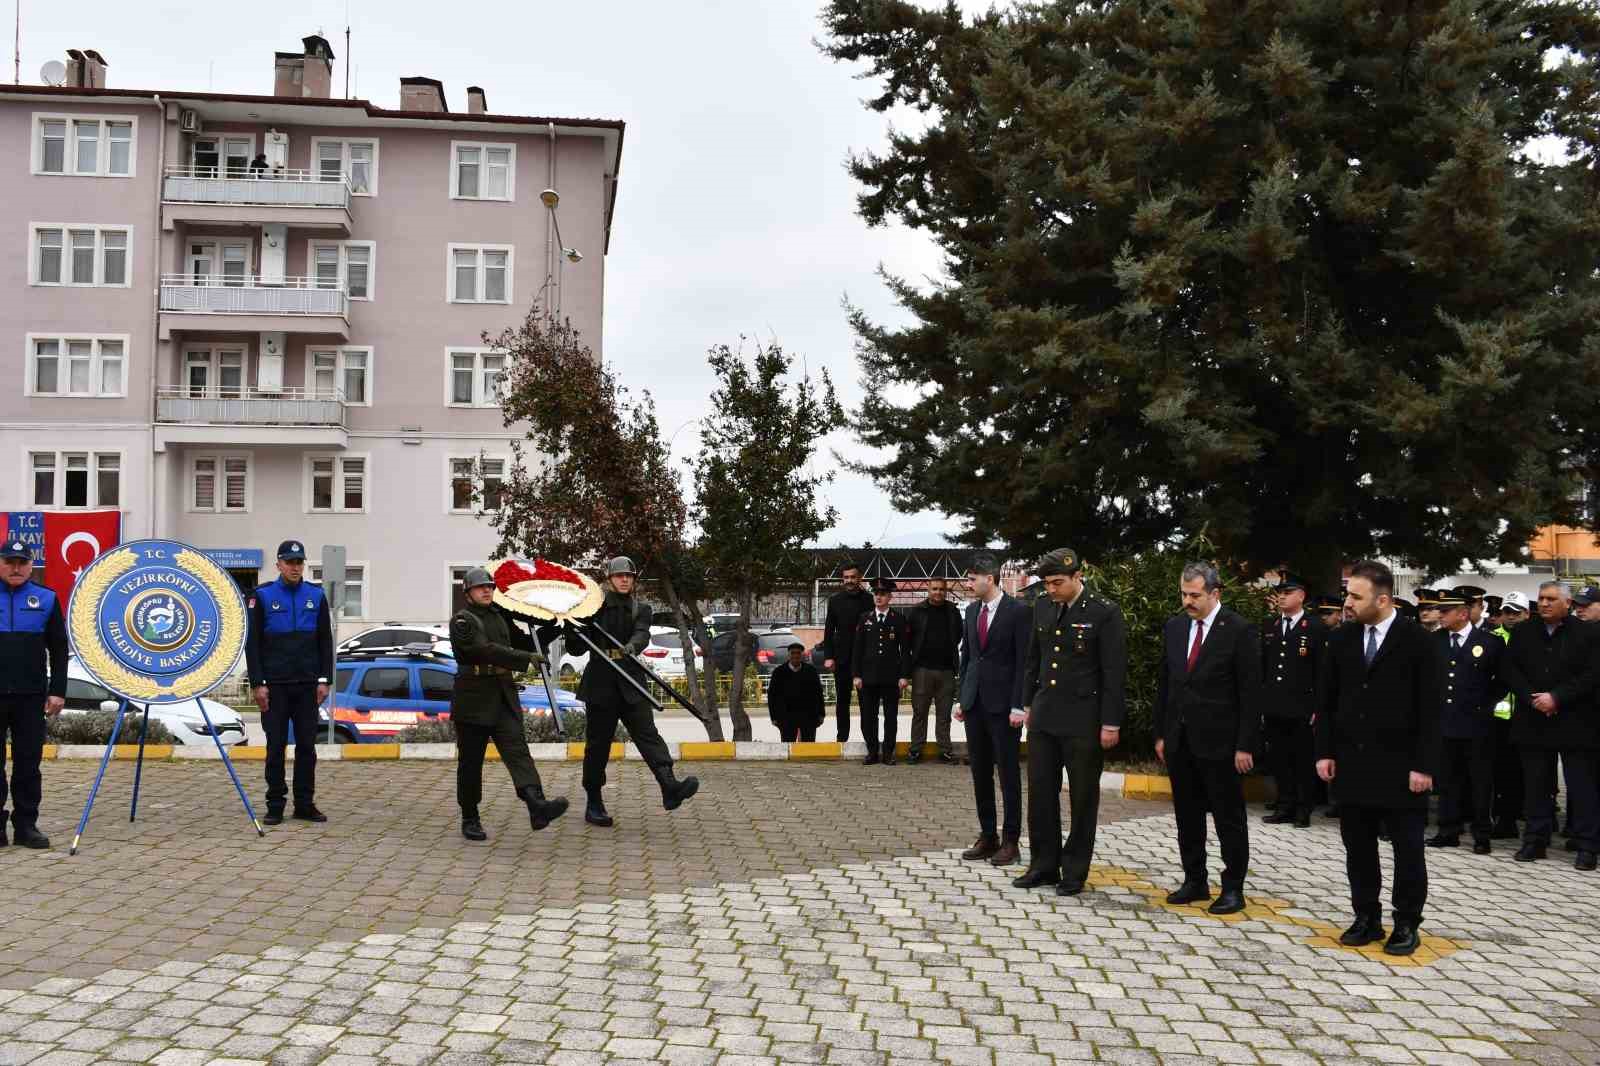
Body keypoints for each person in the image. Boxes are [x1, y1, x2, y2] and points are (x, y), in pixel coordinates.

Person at [1315, 560, 1441, 956]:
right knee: (1359, 847)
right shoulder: (1341, 640)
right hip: (1353, 764)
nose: (1348, 602)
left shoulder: (1418, 641)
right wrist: (1325, 752)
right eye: (1347, 594)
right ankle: (1366, 916)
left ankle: (1406, 922)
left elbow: (1431, 710)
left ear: (1383, 599)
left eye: (1356, 596)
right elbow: (1327, 701)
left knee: (1407, 849)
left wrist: (1424, 765)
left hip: (1402, 767)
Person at [1014, 548, 1127, 896]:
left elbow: (1114, 672)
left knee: (1082, 797)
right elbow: (1034, 659)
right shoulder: (1043, 607)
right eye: (1047, 583)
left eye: (1058, 582)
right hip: (1045, 716)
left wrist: (1111, 722)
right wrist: (1026, 704)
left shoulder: (1104, 612)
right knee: (1041, 794)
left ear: (1078, 576)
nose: (1051, 590)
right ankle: (1043, 865)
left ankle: (1074, 870)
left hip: (1083, 719)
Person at [553, 557, 697, 827]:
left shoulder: (640, 609)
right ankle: (594, 802)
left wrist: (631, 646)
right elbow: (575, 650)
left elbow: (642, 635)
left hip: (630, 678)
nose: (624, 580)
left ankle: (669, 787)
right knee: (598, 746)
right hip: (600, 682)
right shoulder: (591, 608)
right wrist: (572, 629)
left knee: (648, 735)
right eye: (619, 576)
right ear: (609, 579)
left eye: (629, 576)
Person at [1153, 561, 1261, 915]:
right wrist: (1161, 734)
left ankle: (1233, 887)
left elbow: (1250, 692)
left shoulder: (1238, 630)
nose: (1187, 601)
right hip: (1181, 740)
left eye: (1195, 595)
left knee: (1228, 817)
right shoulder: (1175, 627)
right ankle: (1194, 879)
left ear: (1215, 593)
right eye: (1184, 593)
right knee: (1187, 814)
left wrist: (1245, 744)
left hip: (1222, 742)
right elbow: (1166, 685)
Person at [449, 568, 568, 841]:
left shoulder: (500, 617)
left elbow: (524, 642)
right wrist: (526, 657)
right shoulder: (462, 621)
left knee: (517, 751)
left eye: (489, 587)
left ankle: (537, 805)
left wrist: (554, 627)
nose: (487, 591)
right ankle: (470, 817)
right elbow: (483, 650)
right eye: (480, 588)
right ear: (467, 592)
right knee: (471, 762)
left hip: (502, 694)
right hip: (474, 697)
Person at [1500, 581, 1598, 870]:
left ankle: (1587, 844)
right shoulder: (1522, 632)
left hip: (1575, 720)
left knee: (1582, 786)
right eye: (1541, 598)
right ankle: (1535, 839)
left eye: (1551, 599)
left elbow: (1593, 674)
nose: (1544, 604)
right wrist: (1533, 699)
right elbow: (1509, 669)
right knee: (1536, 785)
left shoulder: (1588, 634)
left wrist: (1557, 697)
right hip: (1533, 719)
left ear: (1567, 603)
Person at [244, 539, 333, 826]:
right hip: (276, 686)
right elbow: (253, 644)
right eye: (289, 562)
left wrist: (324, 679)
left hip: (307, 685)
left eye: (299, 562)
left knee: (307, 746)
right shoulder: (263, 595)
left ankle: (305, 804)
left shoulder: (316, 595)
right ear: (279, 564)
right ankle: (275, 804)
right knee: (276, 747)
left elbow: (324, 640)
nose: (295, 567)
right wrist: (258, 683)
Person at [953, 554, 1029, 867]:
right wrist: (962, 698)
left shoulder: (1018, 612)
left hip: (1004, 708)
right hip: (975, 705)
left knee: (1008, 774)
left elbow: (1024, 662)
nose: (969, 584)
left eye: (972, 579)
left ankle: (1011, 840)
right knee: (980, 773)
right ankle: (988, 835)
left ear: (990, 578)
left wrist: (1019, 704)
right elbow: (968, 657)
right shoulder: (971, 611)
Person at [1426, 589, 1504, 854]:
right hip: (1444, 722)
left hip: (1477, 724)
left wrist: (1485, 705)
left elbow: (1502, 681)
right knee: (1447, 779)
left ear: (1462, 613)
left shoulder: (1490, 642)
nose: (1440, 615)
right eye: (1440, 611)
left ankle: (1482, 833)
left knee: (1480, 781)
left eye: (1446, 611)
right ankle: (1448, 830)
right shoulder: (1434, 640)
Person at [0, 539, 66, 849]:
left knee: (28, 764)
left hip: (30, 697)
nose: (15, 568)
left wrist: (58, 691)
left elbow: (59, 649)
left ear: (30, 565)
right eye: (9, 561)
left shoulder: (47, 599)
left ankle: (26, 826)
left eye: (21, 562)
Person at [1260, 572, 1325, 829]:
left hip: (1302, 707)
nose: (1282, 597)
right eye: (1280, 593)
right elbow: (1264, 668)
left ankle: (1302, 810)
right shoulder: (1271, 626)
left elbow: (1321, 672)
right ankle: (1284, 806)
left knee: (1302, 761)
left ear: (1302, 596)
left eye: (1288, 593)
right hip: (1275, 705)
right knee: (1279, 759)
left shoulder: (1315, 627)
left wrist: (1317, 707)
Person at [852, 578, 910, 764]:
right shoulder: (865, 618)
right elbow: (857, 649)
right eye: (876, 594)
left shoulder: (898, 619)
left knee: (890, 717)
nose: (879, 597)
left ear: (890, 597)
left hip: (891, 677)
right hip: (868, 677)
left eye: (883, 594)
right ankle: (872, 751)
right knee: (869, 717)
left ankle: (887, 752)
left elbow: (905, 650)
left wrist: (903, 675)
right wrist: (856, 675)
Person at [906, 577, 962, 764]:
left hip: (947, 671)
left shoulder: (953, 611)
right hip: (922, 670)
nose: (938, 592)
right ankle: (915, 750)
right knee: (919, 712)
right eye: (934, 589)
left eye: (941, 589)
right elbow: (908, 641)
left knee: (944, 715)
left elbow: (958, 635)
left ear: (945, 591)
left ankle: (945, 750)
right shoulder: (916, 611)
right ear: (928, 590)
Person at [819, 564, 874, 744]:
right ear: (843, 579)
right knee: (842, 702)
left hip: (865, 660)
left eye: (853, 577)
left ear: (860, 578)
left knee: (866, 702)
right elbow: (829, 630)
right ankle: (842, 739)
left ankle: (869, 739)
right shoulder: (835, 600)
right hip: (841, 659)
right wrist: (828, 656)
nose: (849, 581)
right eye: (846, 578)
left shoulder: (869, 600)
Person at [1490, 592, 1528, 839]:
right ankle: (1504, 820)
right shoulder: (1491, 639)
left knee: (1525, 773)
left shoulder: (1533, 639)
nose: (1511, 617)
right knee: (1500, 772)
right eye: (1507, 612)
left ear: (1526, 613)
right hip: (1498, 718)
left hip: (1528, 716)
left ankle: (1521, 816)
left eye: (1516, 612)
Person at [766, 642, 825, 742]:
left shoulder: (811, 671)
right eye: (793, 653)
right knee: (788, 747)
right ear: (788, 655)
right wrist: (774, 717)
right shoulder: (779, 672)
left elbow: (818, 693)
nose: (795, 655)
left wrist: (821, 714)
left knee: (808, 747)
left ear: (802, 655)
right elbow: (772, 695)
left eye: (798, 653)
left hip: (808, 716)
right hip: (786, 716)